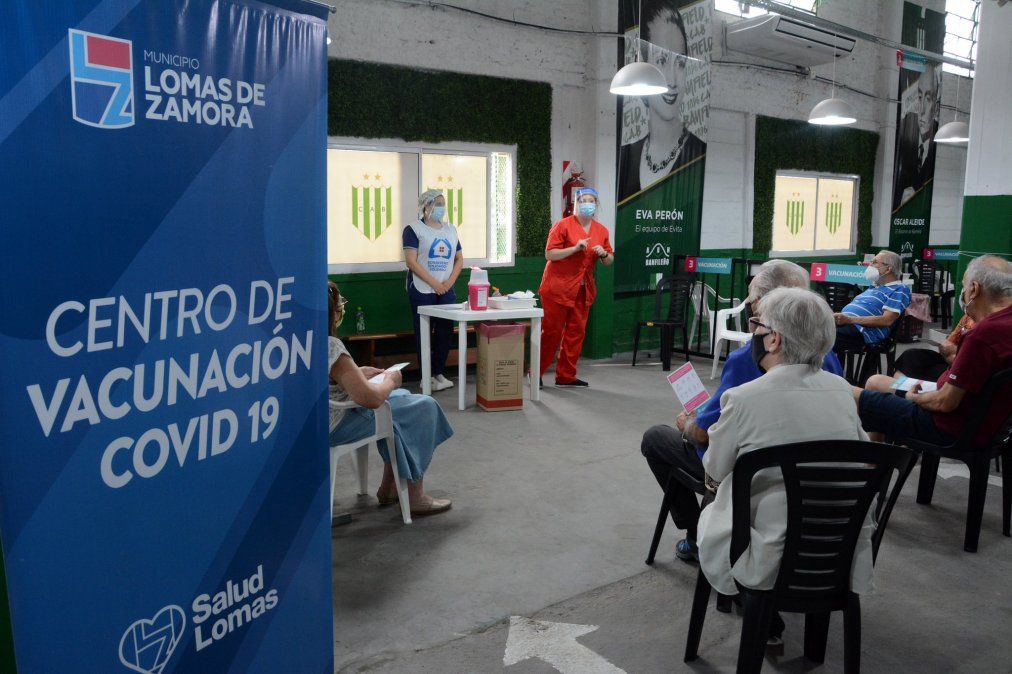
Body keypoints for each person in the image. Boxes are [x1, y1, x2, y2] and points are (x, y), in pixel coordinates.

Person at [696, 287, 873, 646]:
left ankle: (750, 604)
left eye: (755, 325)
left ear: (773, 340)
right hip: (838, 551)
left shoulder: (743, 398)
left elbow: (714, 470)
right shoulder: (840, 391)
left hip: (768, 554)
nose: (753, 334)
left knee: (714, 508)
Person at [640, 260, 843, 563]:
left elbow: (713, 459)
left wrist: (688, 424)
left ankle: (697, 535)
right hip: (822, 515)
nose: (750, 311)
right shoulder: (836, 378)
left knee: (656, 438)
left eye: (751, 305)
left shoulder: (746, 369)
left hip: (753, 491)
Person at [854, 255, 1012, 447]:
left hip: (948, 427)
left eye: (964, 286)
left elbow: (944, 403)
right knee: (875, 381)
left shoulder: (983, 335)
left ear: (975, 289)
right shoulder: (1003, 325)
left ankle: (873, 467)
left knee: (849, 393)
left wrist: (913, 397)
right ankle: (877, 463)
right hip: (989, 426)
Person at [327, 281, 453, 516]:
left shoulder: (303, 340)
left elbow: (331, 377)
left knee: (403, 399)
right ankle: (415, 495)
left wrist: (357, 373)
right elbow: (372, 399)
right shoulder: (331, 345)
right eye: (340, 304)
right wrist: (391, 380)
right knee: (423, 407)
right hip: (337, 422)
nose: (342, 309)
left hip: (323, 417)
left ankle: (391, 485)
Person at [616, 0, 706, 202]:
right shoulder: (626, 155)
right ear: (643, 65)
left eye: (681, 63)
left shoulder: (698, 154)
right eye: (662, 61)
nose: (672, 81)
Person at [539, 187, 613, 387]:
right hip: (558, 288)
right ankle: (535, 372)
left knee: (575, 334)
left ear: (596, 205)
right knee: (551, 332)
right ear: (576, 204)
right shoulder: (562, 226)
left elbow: (609, 259)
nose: (587, 204)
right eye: (583, 200)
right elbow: (550, 254)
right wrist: (574, 248)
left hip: (582, 290)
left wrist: (604, 254)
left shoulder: (602, 231)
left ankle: (566, 375)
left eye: (591, 200)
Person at [403, 189, 464, 393]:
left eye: (443, 203)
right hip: (422, 289)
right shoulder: (413, 229)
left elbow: (459, 259)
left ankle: (439, 373)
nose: (441, 208)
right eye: (437, 203)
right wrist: (434, 284)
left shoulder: (450, 230)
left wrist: (448, 283)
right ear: (425, 206)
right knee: (424, 333)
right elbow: (411, 261)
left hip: (446, 290)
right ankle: (425, 376)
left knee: (445, 332)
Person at [833, 250, 911, 354]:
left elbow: (886, 320)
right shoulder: (874, 287)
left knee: (820, 336)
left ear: (888, 269)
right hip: (847, 325)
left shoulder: (900, 289)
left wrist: (850, 320)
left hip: (863, 332)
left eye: (874, 262)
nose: (870, 265)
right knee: (810, 328)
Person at [874, 313, 974, 385]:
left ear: (975, 289)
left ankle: (902, 392)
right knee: (910, 356)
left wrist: (954, 352)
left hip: (963, 366)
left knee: (874, 383)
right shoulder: (968, 316)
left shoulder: (983, 326)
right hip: (950, 357)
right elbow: (951, 340)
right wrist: (946, 346)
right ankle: (899, 389)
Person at [893, 65, 941, 209]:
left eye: (928, 99)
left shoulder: (939, 142)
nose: (922, 109)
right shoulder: (905, 132)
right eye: (920, 97)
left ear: (937, 108)